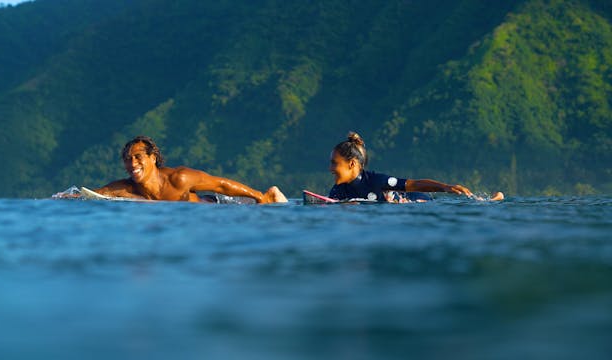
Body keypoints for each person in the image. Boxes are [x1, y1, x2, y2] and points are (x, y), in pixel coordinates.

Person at [72, 135, 287, 203]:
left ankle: (270, 193)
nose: (132, 164)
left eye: (138, 158)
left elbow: (220, 184)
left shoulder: (179, 178)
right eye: (128, 160)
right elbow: (94, 195)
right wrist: (67, 196)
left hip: (216, 208)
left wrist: (259, 197)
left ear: (152, 158)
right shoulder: (125, 188)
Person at [328, 132, 504, 202]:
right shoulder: (337, 192)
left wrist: (446, 187)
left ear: (351, 164)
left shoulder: (376, 181)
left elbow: (414, 184)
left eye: (334, 163)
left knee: (472, 203)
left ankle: (494, 200)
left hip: (419, 202)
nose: (330, 168)